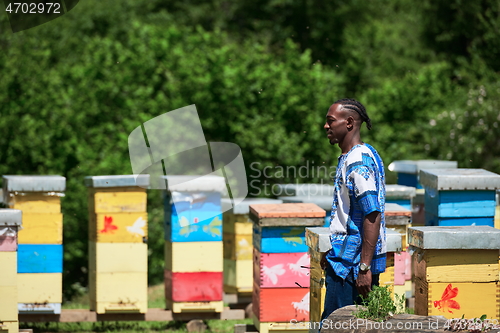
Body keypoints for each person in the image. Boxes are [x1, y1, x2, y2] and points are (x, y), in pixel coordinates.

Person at [320, 98, 386, 321]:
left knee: (335, 326)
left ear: (349, 122)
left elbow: (372, 214)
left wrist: (364, 268)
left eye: (331, 121)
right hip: (345, 262)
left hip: (351, 269)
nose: (326, 126)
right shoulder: (358, 155)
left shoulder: (358, 162)